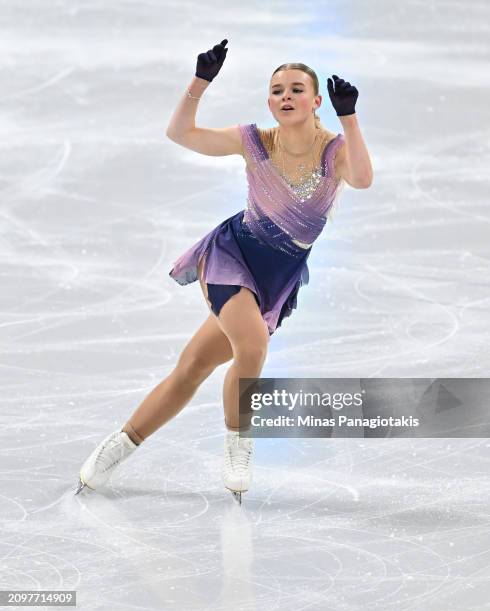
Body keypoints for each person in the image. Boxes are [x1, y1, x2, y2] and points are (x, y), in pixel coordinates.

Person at [75, 39, 373, 504]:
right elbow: (180, 133)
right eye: (276, 91)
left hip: (278, 277)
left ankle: (119, 445)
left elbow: (362, 178)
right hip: (231, 256)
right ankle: (239, 442)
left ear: (317, 101)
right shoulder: (254, 140)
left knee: (191, 368)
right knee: (251, 345)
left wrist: (350, 118)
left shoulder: (332, 151)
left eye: (296, 89)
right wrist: (200, 81)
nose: (285, 97)